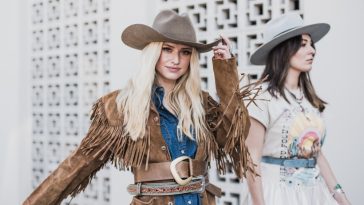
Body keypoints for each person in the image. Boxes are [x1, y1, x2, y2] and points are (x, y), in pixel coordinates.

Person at [23, 10, 254, 205]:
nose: (176, 60)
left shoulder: (202, 104)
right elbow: (78, 164)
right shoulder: (119, 106)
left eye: (185, 52)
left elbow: (234, 136)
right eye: (167, 49)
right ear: (153, 51)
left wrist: (225, 71)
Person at [243, 13, 351, 205]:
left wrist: (341, 197)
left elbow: (316, 154)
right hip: (277, 193)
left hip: (314, 194)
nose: (312, 51)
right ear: (284, 49)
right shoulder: (261, 96)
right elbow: (252, 161)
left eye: (311, 44)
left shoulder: (309, 98)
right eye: (303, 44)